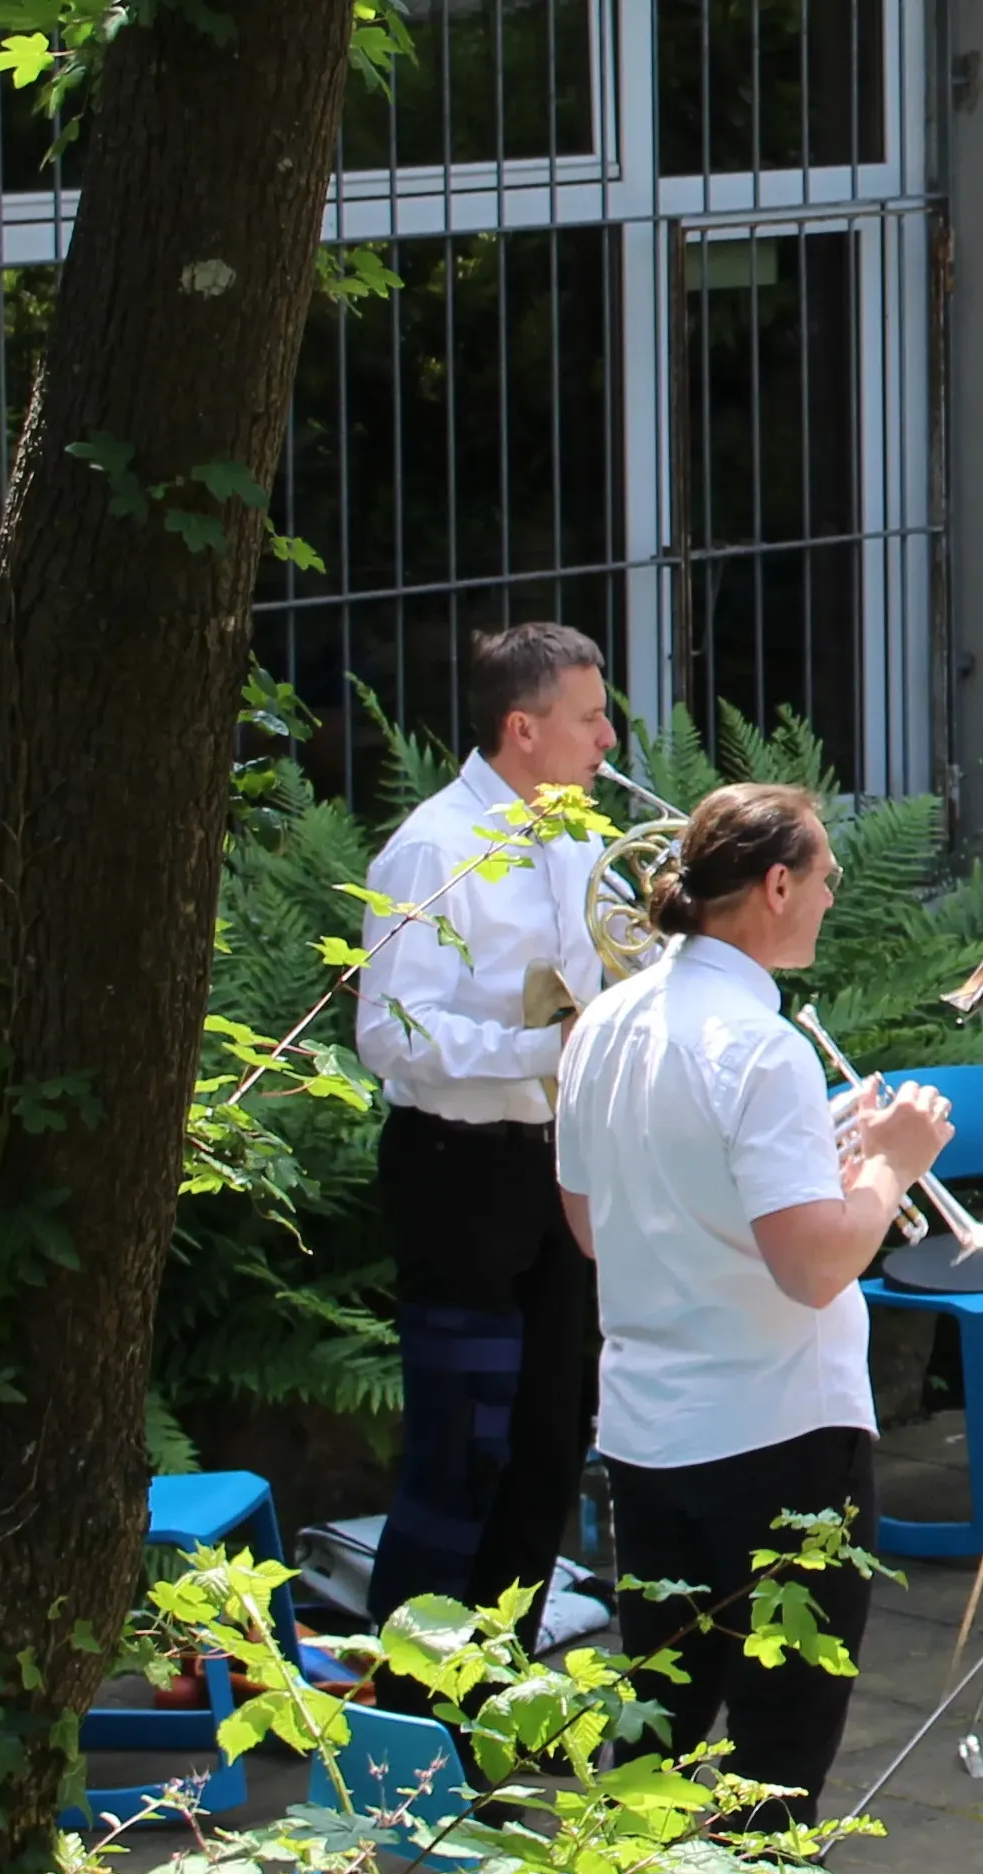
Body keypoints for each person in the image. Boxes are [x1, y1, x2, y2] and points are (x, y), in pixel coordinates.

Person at [556, 782, 949, 1827]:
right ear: (777, 886)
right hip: (779, 1436)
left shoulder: (602, 1021)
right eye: (825, 878)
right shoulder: (759, 1043)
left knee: (658, 1743)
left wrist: (824, 1165)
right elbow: (815, 1269)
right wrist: (892, 1165)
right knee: (776, 1767)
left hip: (648, 1434)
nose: (831, 897)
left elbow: (598, 1225)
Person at [353, 623, 618, 1691]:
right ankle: (407, 1702)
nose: (608, 739)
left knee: (553, 1439)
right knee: (464, 1448)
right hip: (459, 1171)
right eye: (590, 718)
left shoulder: (579, 842)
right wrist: (544, 1052)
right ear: (523, 728)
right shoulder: (433, 848)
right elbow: (390, 1033)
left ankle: (496, 1696)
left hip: (557, 1164)